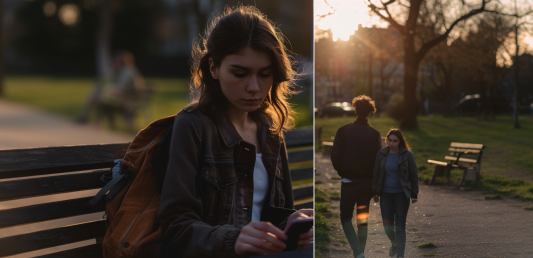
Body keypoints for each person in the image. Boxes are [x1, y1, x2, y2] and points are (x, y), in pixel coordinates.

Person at [156, 6, 313, 257]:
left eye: (265, 74)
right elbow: (176, 227)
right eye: (239, 73)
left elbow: (275, 217)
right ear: (214, 68)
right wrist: (233, 240)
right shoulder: (193, 125)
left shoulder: (270, 132)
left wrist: (293, 226)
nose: (254, 87)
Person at [331, 95, 382, 258]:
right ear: (370, 113)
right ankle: (359, 252)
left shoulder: (342, 130)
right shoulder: (375, 134)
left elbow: (335, 156)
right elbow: (378, 163)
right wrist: (376, 187)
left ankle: (357, 252)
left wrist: (342, 171)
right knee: (362, 221)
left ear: (355, 111)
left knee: (345, 218)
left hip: (348, 184)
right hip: (366, 185)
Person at [372, 129, 419, 258]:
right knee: (387, 226)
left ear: (400, 141)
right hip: (386, 194)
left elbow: (414, 175)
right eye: (390, 140)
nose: (391, 143)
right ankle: (394, 243)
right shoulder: (381, 154)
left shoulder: (407, 155)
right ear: (387, 140)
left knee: (400, 226)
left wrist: (414, 194)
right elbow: (376, 174)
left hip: (401, 195)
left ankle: (400, 255)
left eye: (395, 141)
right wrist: (375, 192)